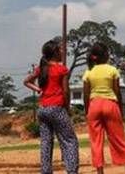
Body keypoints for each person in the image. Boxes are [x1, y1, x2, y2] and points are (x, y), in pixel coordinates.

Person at [24, 40, 79, 174]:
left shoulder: (42, 69)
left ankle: (46, 171)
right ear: (55, 53)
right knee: (69, 140)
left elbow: (26, 81)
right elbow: (66, 91)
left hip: (42, 109)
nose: (62, 52)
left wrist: (38, 90)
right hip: (57, 108)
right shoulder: (62, 69)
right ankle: (72, 171)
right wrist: (67, 108)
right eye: (60, 50)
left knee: (46, 143)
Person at [83, 42, 125, 174]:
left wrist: (87, 111)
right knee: (118, 138)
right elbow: (117, 91)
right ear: (106, 55)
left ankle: (100, 170)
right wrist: (121, 108)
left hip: (94, 105)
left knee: (96, 141)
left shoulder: (89, 72)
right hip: (110, 104)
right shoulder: (112, 70)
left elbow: (86, 94)